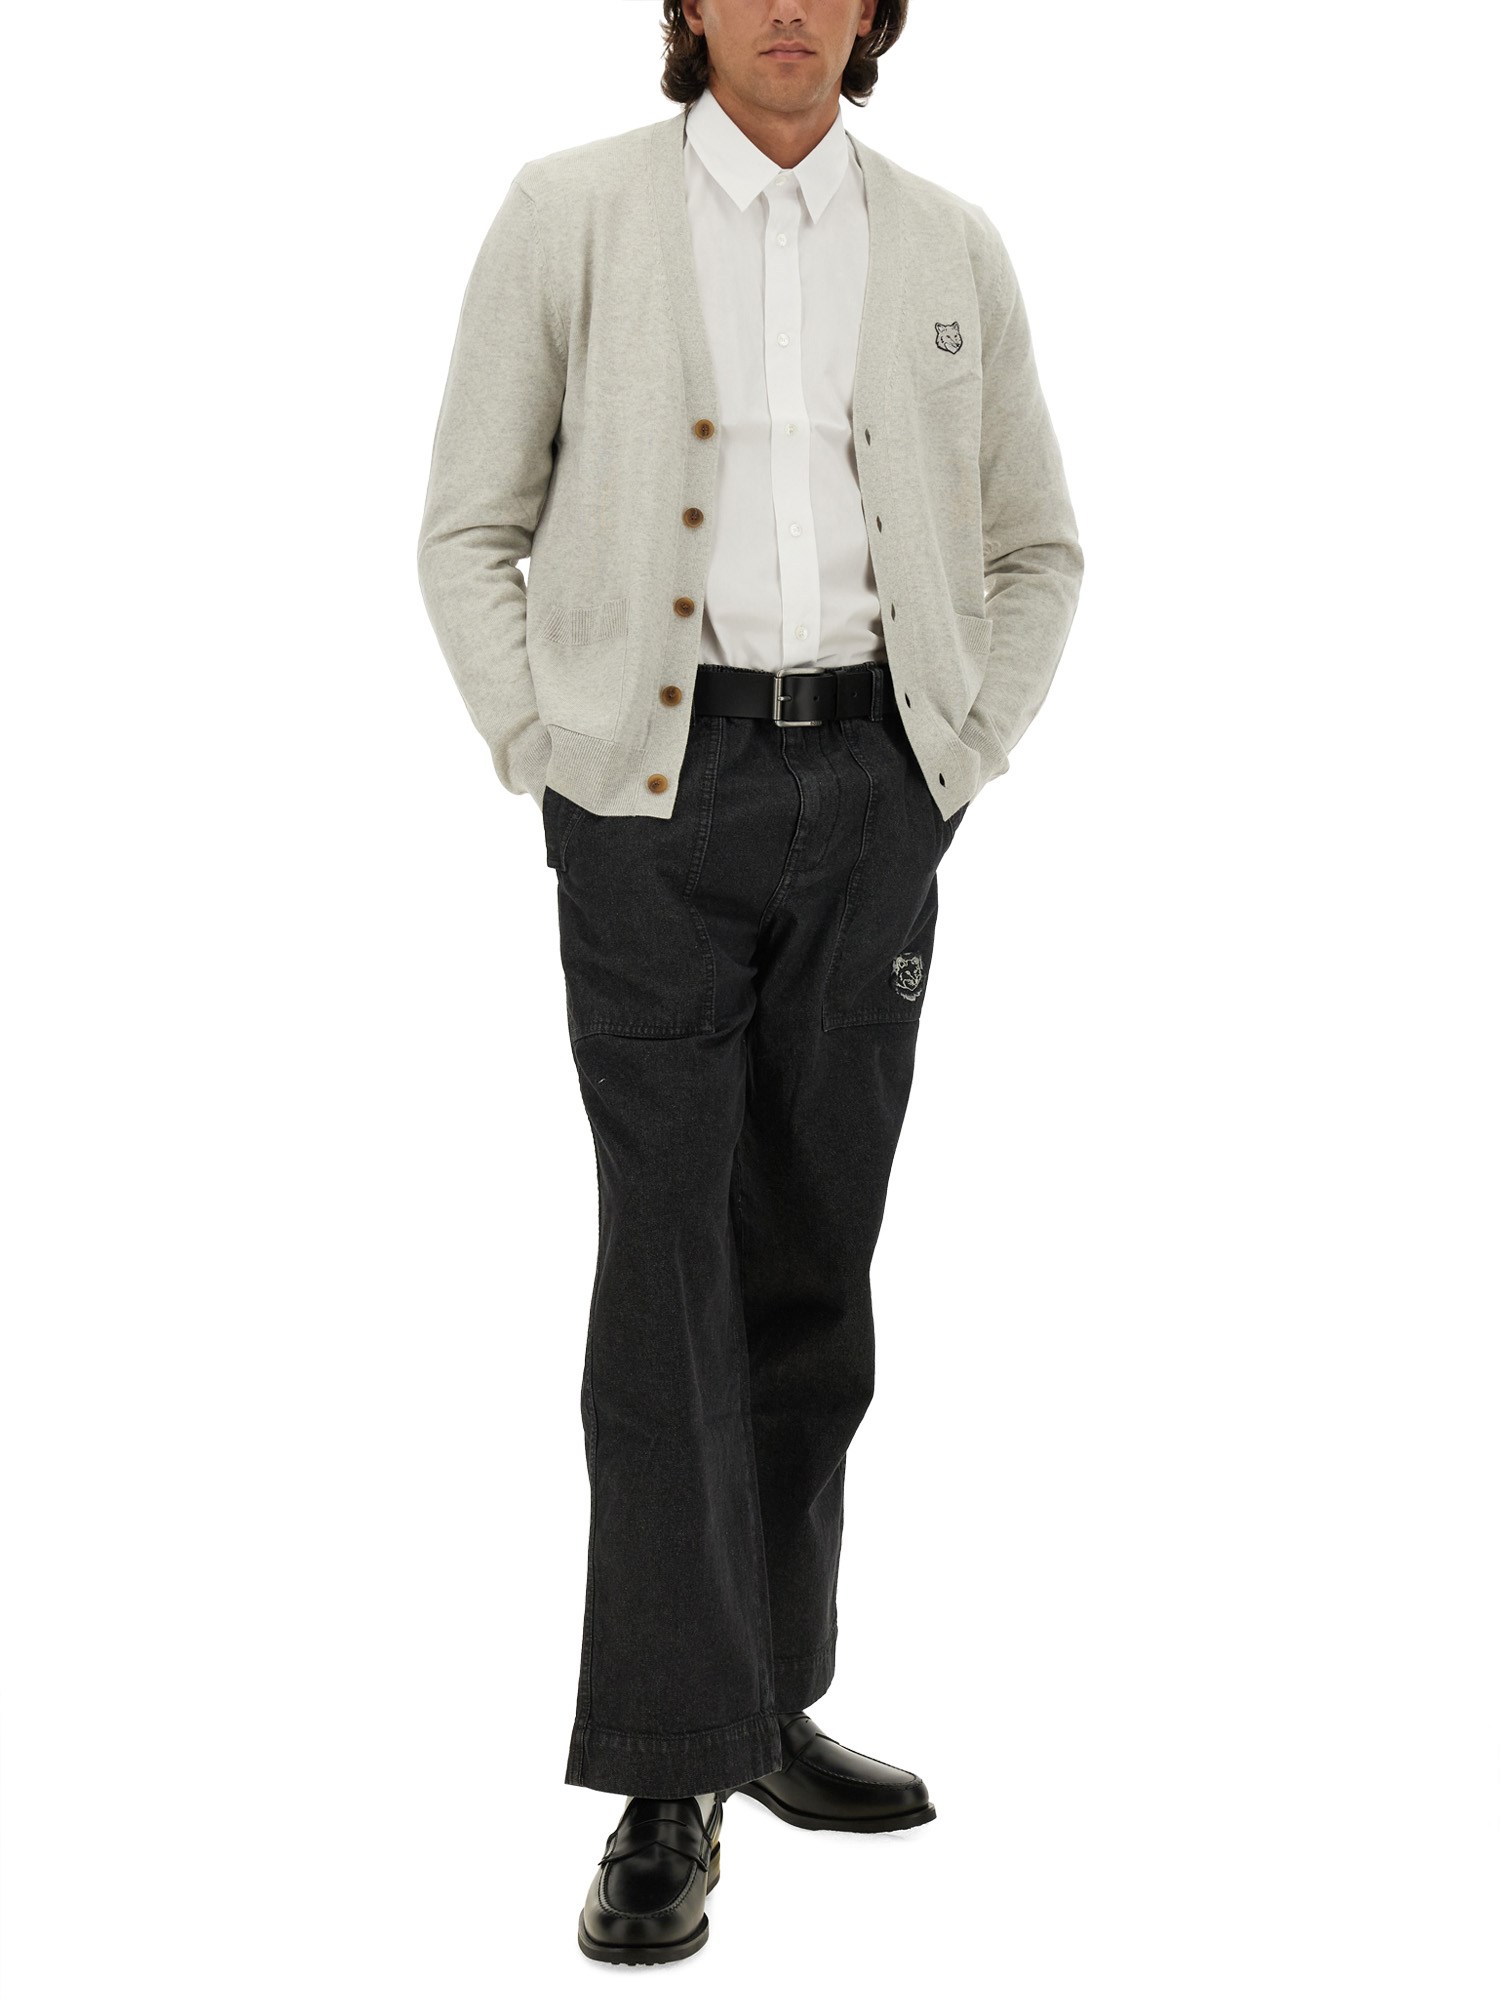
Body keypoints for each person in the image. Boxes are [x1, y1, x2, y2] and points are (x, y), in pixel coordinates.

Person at [416, 0, 1082, 1965]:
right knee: (668, 1274)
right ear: (689, 5)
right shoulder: (569, 215)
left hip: (875, 788)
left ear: (873, 14)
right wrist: (552, 750)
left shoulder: (949, 243)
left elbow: (1039, 546)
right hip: (651, 798)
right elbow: (468, 528)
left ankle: (766, 1698)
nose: (788, 7)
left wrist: (957, 754)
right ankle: (664, 1775)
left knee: (811, 1264)